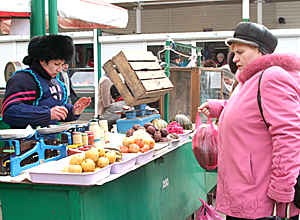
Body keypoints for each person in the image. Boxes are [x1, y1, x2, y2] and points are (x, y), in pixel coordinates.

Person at [198, 22, 300, 219]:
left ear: (260, 52)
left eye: (240, 52)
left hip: (262, 199)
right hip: (244, 190)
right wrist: (218, 107)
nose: (234, 58)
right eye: (233, 52)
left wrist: (282, 188)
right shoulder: (248, 80)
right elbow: (249, 111)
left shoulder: (271, 77)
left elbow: (290, 135)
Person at [2, 35, 91, 129]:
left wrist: (72, 110)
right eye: (56, 64)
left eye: (61, 64)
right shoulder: (22, 79)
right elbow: (10, 112)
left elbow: (55, 107)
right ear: (42, 61)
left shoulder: (54, 80)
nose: (59, 70)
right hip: (26, 141)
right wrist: (47, 113)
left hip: (51, 140)